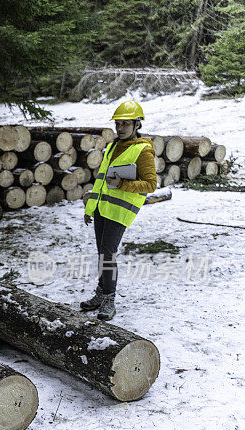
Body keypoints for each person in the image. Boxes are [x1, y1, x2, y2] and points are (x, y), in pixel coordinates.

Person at [80, 101, 157, 320]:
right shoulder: (113, 146)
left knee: (108, 255)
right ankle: (100, 293)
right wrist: (90, 208)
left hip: (120, 212)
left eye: (126, 123)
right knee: (102, 254)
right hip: (101, 210)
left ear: (137, 124)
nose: (121, 128)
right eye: (118, 124)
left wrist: (123, 184)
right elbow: (101, 180)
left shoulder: (143, 150)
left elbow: (151, 184)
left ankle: (108, 300)